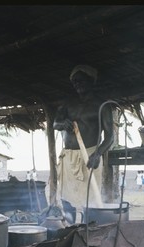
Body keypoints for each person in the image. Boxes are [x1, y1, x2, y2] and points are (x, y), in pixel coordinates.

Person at [53, 64, 114, 208]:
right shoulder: (67, 104)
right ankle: (71, 228)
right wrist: (63, 125)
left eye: (80, 80)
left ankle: (88, 229)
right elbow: (55, 124)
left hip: (90, 156)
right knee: (68, 200)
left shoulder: (102, 105)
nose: (77, 84)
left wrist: (98, 154)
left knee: (90, 201)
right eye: (74, 82)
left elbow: (110, 136)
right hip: (69, 157)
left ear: (91, 81)